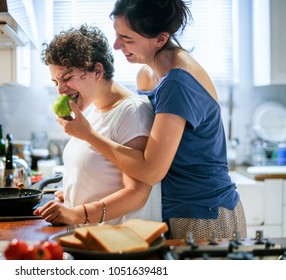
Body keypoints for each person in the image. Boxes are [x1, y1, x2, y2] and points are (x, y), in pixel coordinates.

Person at [56, 0, 247, 240]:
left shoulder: (177, 83)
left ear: (160, 39)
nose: (116, 45)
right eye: (117, 35)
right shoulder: (148, 74)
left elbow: (150, 171)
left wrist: (89, 135)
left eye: (127, 38)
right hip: (175, 211)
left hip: (202, 215)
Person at [33, 24, 161, 226]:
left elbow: (137, 194)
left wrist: (77, 213)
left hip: (119, 246)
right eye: (55, 82)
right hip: (89, 240)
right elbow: (101, 176)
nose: (61, 90)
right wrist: (73, 194)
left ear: (97, 71)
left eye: (67, 78)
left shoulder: (133, 111)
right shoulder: (92, 110)